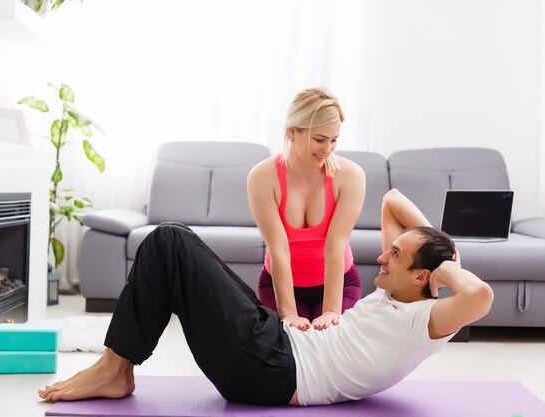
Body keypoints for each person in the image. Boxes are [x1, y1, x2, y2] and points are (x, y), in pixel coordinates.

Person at [38, 189, 494, 406]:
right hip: (274, 345)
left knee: (170, 240)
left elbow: (481, 295)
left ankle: (115, 369)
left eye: (395, 254)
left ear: (422, 277)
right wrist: (444, 247)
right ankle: (116, 366)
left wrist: (446, 265)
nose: (381, 257)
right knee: (175, 244)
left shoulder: (425, 322)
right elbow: (393, 201)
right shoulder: (401, 290)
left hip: (272, 369)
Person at [247, 87, 366, 332]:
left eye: (334, 140)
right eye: (319, 139)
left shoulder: (351, 176)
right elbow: (278, 248)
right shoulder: (262, 177)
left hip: (338, 283)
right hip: (280, 285)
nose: (328, 149)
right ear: (292, 132)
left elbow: (335, 247)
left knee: (328, 342)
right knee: (291, 344)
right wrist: (288, 314)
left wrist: (332, 312)